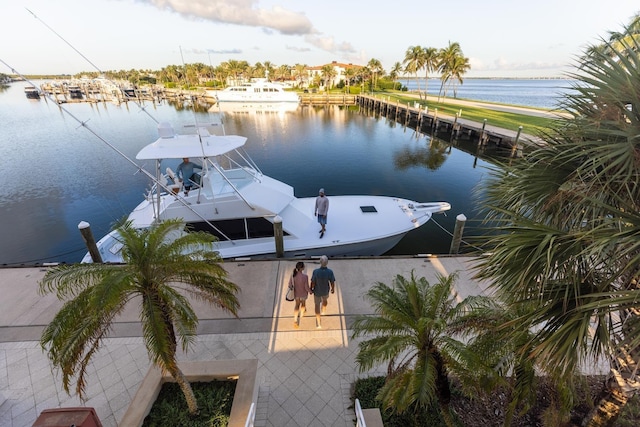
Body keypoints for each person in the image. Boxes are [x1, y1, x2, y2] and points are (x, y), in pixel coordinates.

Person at [310, 255, 335, 329]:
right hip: (325, 290)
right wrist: (333, 289)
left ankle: (318, 323)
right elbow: (332, 281)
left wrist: (311, 288)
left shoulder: (315, 272)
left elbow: (313, 282)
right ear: (327, 263)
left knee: (317, 305)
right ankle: (323, 310)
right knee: (325, 300)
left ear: (320, 262)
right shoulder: (330, 272)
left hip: (317, 291)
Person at [288, 261, 310, 328]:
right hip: (303, 294)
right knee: (303, 304)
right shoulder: (305, 277)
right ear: (302, 268)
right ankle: (302, 314)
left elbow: (290, 285)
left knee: (297, 305)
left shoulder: (293, 275)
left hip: (296, 294)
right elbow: (306, 287)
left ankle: (295, 320)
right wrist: (310, 291)